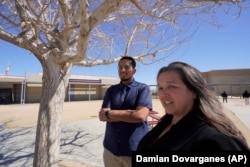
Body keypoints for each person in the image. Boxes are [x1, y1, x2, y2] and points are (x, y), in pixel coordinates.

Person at [137, 62, 249, 152]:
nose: (163, 93)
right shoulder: (165, 122)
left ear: (194, 91)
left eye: (172, 86)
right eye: (160, 88)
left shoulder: (216, 139)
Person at [99, 56, 152, 167]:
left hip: (134, 149)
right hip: (110, 149)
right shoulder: (111, 90)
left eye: (126, 67)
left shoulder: (143, 89)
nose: (122, 70)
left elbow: (140, 116)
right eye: (120, 67)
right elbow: (102, 116)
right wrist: (129, 113)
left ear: (134, 70)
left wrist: (110, 113)